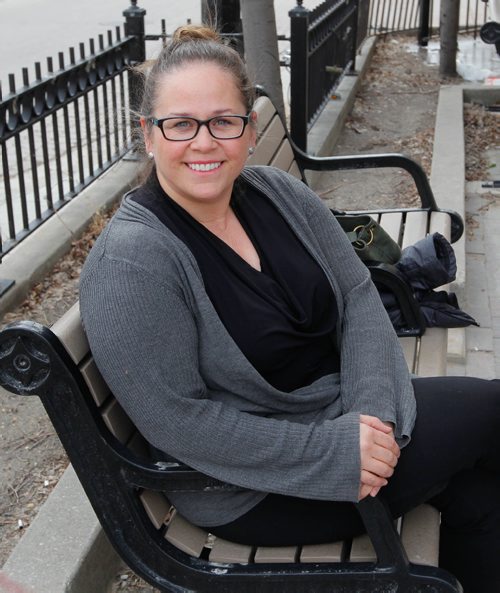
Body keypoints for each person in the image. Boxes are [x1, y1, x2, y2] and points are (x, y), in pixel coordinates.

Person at [79, 25, 500, 593]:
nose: (204, 142)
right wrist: (330, 450)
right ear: (148, 137)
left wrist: (373, 418)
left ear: (248, 131)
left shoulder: (278, 193)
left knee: (478, 497)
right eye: (180, 125)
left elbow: (356, 294)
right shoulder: (134, 262)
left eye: (223, 121)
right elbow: (179, 420)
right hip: (253, 485)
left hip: (343, 422)